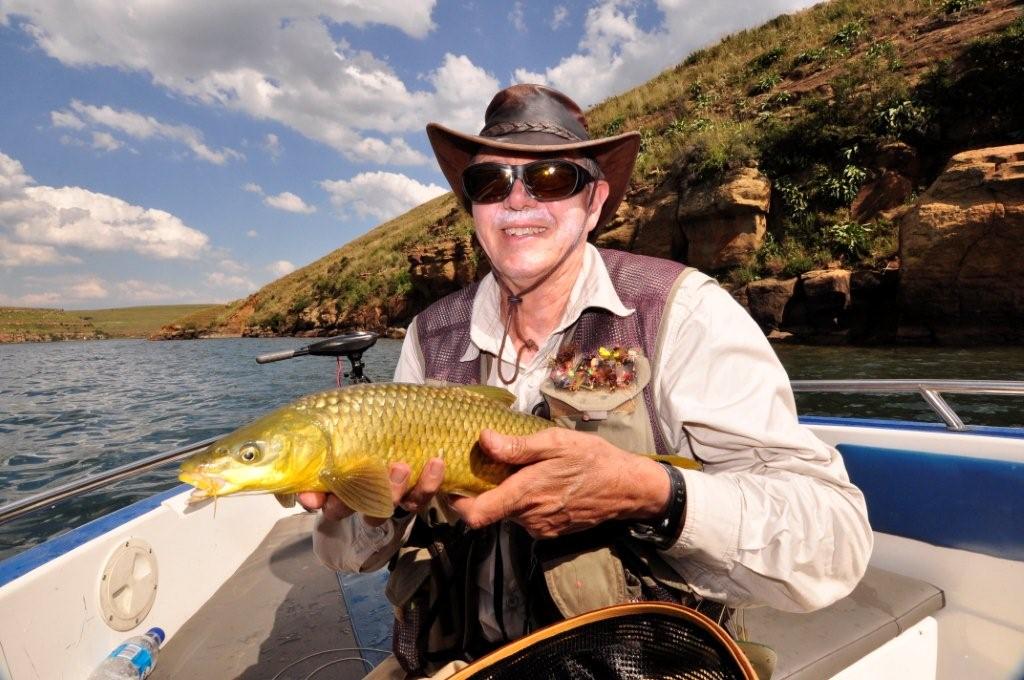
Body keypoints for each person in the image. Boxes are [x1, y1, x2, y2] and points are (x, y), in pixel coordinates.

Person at [299, 84, 872, 679]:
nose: (518, 201)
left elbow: (834, 540)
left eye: (550, 178)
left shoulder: (683, 310)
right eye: (490, 183)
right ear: (473, 208)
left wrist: (656, 494)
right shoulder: (428, 337)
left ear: (594, 201)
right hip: (462, 665)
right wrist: (372, 512)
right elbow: (346, 556)